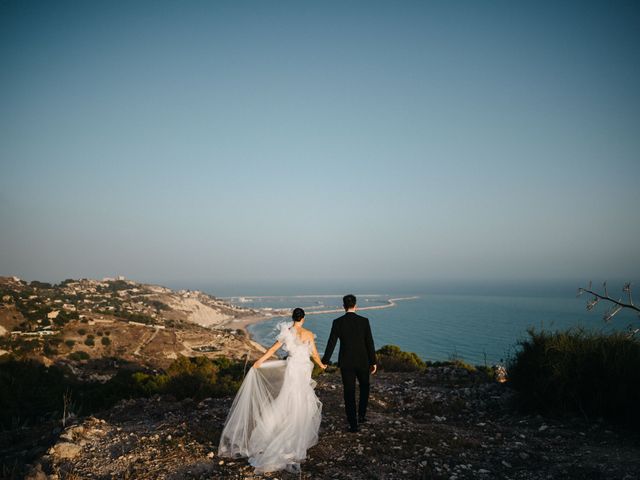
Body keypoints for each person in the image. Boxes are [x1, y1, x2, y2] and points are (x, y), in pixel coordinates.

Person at [218, 308, 327, 473]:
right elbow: (315, 355)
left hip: (292, 368)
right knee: (301, 398)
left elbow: (272, 350)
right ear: (303, 319)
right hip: (303, 368)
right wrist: (322, 365)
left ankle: (276, 429)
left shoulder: (287, 332)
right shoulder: (309, 334)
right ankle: (294, 435)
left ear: (293, 318)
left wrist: (259, 361)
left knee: (288, 396)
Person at [321, 294, 377, 433]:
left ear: (343, 306)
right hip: (363, 361)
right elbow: (369, 342)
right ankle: (362, 416)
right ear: (355, 305)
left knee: (349, 392)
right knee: (364, 387)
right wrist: (373, 361)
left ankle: (353, 424)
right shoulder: (364, 321)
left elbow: (331, 343)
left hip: (346, 362)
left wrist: (325, 361)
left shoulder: (337, 322)